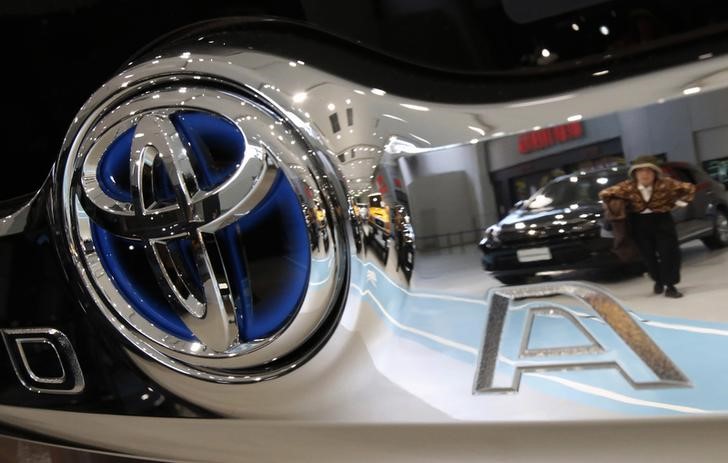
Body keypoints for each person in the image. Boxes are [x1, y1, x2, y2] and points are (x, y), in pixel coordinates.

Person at [599, 156, 696, 298]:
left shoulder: (666, 184)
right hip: (639, 222)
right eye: (640, 171)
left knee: (669, 253)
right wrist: (617, 205)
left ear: (655, 173)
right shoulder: (627, 186)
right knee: (648, 256)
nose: (645, 174)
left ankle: (670, 285)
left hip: (662, 220)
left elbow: (690, 189)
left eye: (648, 171)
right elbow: (604, 194)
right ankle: (658, 280)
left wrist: (678, 204)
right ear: (635, 174)